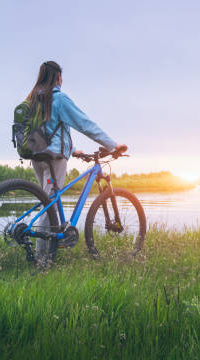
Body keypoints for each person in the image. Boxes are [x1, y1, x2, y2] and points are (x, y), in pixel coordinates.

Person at [25, 60, 125, 268]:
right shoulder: (58, 98)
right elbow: (84, 123)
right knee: (49, 205)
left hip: (38, 157)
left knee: (49, 200)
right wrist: (112, 145)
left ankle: (51, 244)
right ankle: (42, 263)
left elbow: (48, 129)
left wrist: (72, 150)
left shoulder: (35, 98)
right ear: (58, 77)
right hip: (54, 157)